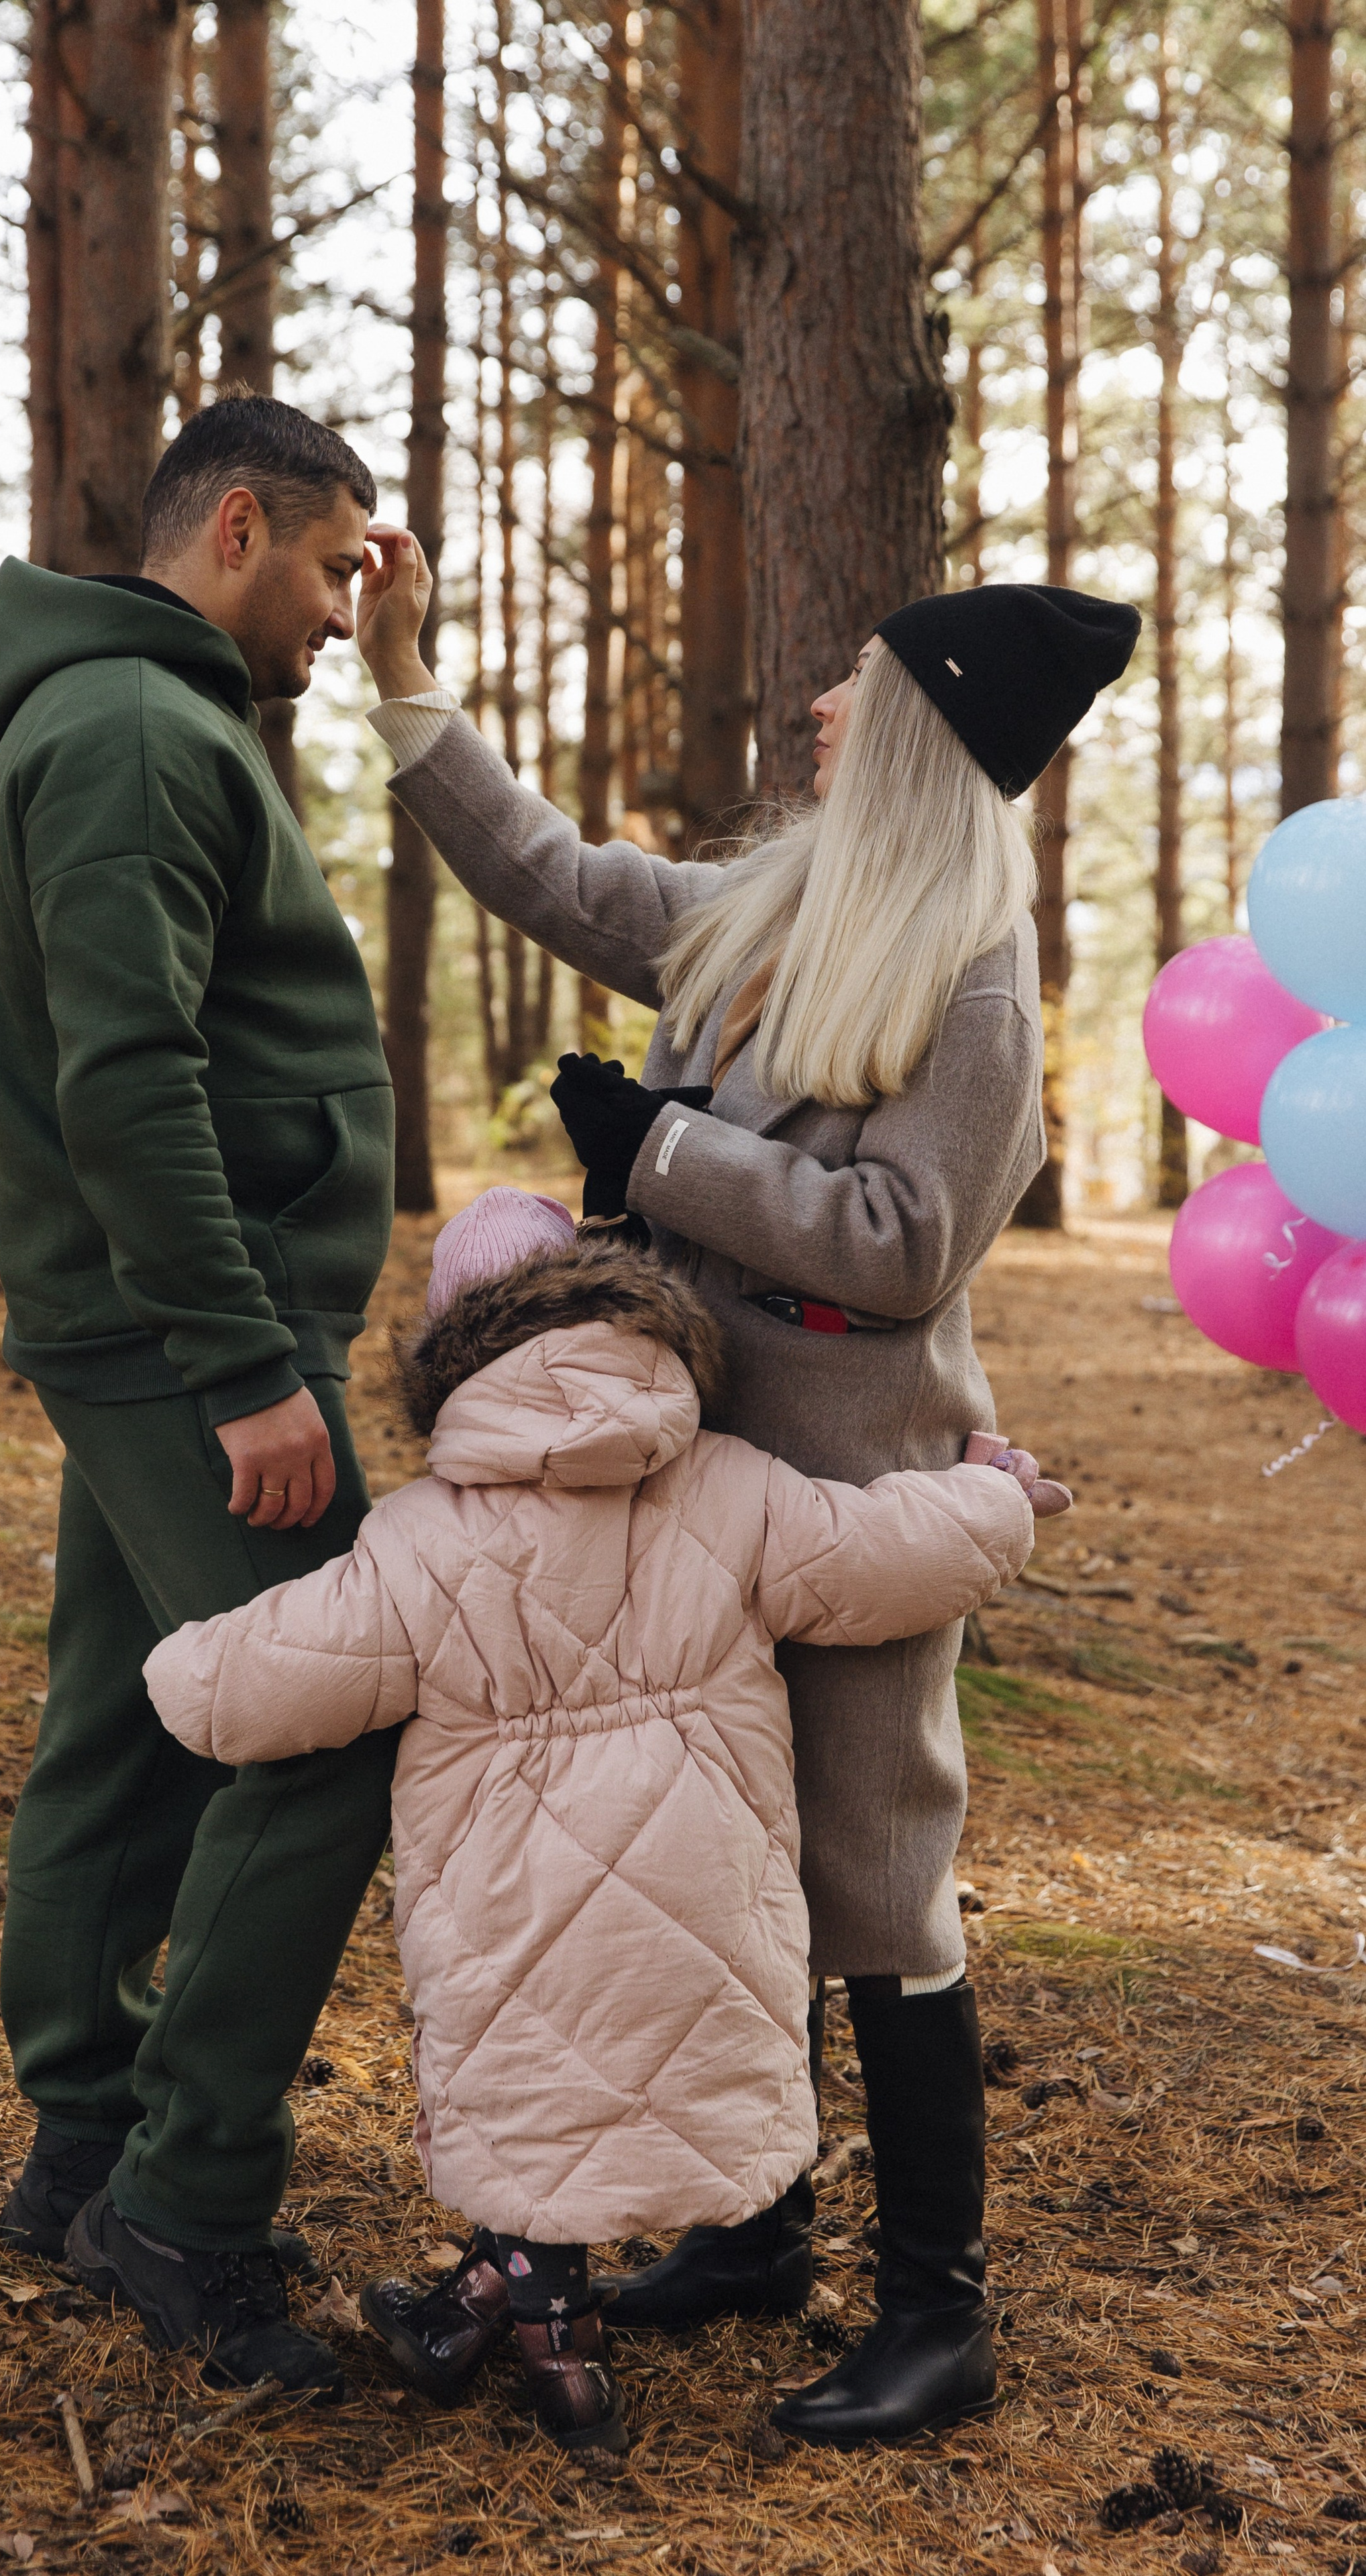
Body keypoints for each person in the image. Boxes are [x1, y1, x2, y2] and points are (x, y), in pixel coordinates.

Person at [351, 545, 1138, 2444]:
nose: (816, 710)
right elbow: (562, 879)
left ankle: (941, 2315)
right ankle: (764, 2232)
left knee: (876, 1884)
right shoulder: (777, 901)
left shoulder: (975, 977)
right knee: (733, 1850)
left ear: (925, 732)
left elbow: (908, 1240)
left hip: (861, 1495)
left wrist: (666, 1152)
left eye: (857, 686)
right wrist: (407, 692)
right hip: (692, 1473)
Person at [142, 1190, 1051, 2454]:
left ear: (452, 1350)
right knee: (654, 2070)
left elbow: (258, 1677)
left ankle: (552, 2353)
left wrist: (172, 1669)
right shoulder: (729, 1484)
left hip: (507, 1896)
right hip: (707, 1884)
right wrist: (993, 1500)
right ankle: (475, 2316)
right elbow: (881, 1555)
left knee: (533, 2093)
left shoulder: (418, 1539)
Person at [0, 392, 401, 2400]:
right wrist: (244, 1367)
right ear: (235, 529)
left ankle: (81, 2138)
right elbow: (125, 1077)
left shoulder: (153, 716)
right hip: (186, 1334)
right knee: (336, 1721)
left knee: (129, 1720)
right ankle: (186, 2193)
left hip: (157, 1320)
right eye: (325, 570)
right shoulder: (138, 735)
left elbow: (186, 1033)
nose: (338, 611)